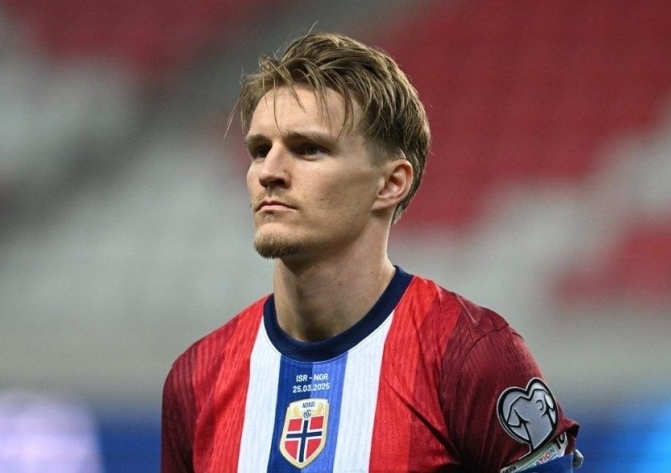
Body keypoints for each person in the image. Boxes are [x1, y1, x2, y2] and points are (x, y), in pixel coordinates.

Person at [161, 32, 581, 472]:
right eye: (260, 150)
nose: (269, 172)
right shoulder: (197, 379)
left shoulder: (472, 358)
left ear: (391, 183)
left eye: (309, 149)